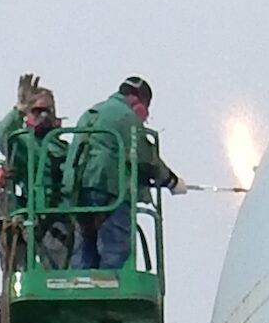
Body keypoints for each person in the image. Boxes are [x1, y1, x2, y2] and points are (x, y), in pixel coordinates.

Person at [63, 76, 187, 269]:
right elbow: (146, 156)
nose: (145, 116)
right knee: (116, 246)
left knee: (85, 245)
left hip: (78, 189)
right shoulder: (126, 116)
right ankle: (113, 291)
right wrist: (171, 180)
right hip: (109, 187)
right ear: (137, 100)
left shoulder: (91, 113)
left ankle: (81, 288)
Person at [0, 74, 71, 270]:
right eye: (37, 111)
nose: (43, 116)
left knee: (61, 275)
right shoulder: (24, 143)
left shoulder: (67, 149)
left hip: (65, 218)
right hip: (36, 218)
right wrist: (20, 108)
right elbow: (1, 135)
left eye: (48, 111)